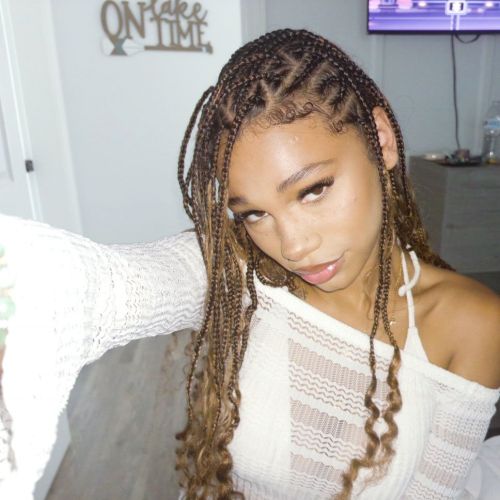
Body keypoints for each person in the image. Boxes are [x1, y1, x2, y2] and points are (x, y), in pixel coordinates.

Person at [0, 28, 499, 500]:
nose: (293, 246)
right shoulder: (241, 269)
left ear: (381, 141)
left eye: (313, 190)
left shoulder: (473, 324)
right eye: (254, 214)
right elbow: (109, 288)